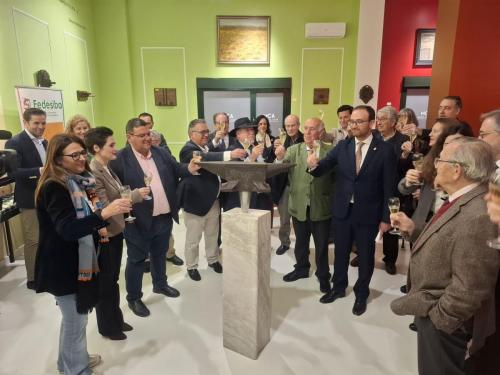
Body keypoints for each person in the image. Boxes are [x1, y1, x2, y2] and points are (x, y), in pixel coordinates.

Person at [390, 138, 499, 375]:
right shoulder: (460, 200)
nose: (435, 164)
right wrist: (413, 230)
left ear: (457, 169)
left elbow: (472, 286)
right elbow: (448, 245)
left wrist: (439, 319)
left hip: (447, 325)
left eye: (440, 160)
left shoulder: (479, 214)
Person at [34, 133, 131, 374]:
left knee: (77, 320)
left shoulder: (82, 180)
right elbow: (67, 230)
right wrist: (104, 215)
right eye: (73, 155)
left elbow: (88, 219)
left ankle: (69, 362)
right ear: (57, 158)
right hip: (63, 266)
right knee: (75, 321)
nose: (80, 159)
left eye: (82, 153)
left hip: (81, 261)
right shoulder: (54, 186)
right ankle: (75, 369)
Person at [306, 105, 396, 315]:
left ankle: (361, 293)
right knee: (340, 253)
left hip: (369, 213)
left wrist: (386, 218)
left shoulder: (384, 150)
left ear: (371, 124)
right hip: (343, 211)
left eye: (358, 122)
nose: (352, 125)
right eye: (351, 121)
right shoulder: (344, 146)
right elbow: (323, 167)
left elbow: (389, 187)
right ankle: (338, 287)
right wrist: (312, 164)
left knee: (365, 256)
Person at [109, 118, 200, 317]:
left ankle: (160, 284)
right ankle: (134, 297)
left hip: (163, 216)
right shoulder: (119, 160)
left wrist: (189, 169)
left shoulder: (161, 153)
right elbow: (114, 192)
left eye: (148, 133)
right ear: (129, 137)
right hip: (137, 221)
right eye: (141, 135)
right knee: (136, 260)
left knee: (160, 254)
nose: (147, 138)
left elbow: (177, 169)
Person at [85, 127, 150, 340]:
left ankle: (116, 318)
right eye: (111, 145)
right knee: (106, 282)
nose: (116, 148)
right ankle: (107, 326)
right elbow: (103, 206)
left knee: (112, 280)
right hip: (106, 234)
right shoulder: (93, 171)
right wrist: (135, 196)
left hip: (116, 230)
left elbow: (117, 194)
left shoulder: (106, 167)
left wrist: (130, 196)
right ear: (96, 148)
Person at [177, 119, 245, 281]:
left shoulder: (205, 147)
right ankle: (192, 266)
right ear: (191, 134)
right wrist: (230, 154)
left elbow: (209, 151)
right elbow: (204, 157)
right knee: (193, 239)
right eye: (202, 132)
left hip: (213, 201)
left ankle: (213, 260)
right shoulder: (187, 150)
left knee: (212, 235)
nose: (206, 134)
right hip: (195, 204)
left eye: (207, 131)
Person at [274, 118, 335, 293]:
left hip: (321, 205)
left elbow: (335, 178)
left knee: (322, 245)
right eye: (306, 128)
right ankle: (301, 268)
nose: (307, 132)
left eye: (312, 129)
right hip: (299, 205)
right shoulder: (294, 150)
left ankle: (323, 275)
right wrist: (279, 158)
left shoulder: (330, 151)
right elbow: (280, 168)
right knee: (301, 242)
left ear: (321, 131)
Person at [5, 108, 48, 289]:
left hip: (47, 196)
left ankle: (46, 272)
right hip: (29, 199)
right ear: (26, 123)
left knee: (46, 238)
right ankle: (33, 278)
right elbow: (14, 172)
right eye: (36, 123)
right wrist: (40, 170)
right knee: (34, 240)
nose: (40, 127)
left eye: (43, 123)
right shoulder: (15, 142)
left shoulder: (45, 142)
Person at [139, 113, 183, 266]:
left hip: (162, 201)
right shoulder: (129, 150)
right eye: (142, 123)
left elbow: (170, 159)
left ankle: (169, 254)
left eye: (148, 123)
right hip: (143, 203)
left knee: (165, 232)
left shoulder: (159, 142)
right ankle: (146, 258)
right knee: (145, 233)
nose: (146, 126)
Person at [375, 106, 411, 275]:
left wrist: (404, 155)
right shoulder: (374, 137)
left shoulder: (403, 140)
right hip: (373, 187)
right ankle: (362, 253)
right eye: (377, 118)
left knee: (391, 222)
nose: (378, 122)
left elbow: (406, 168)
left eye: (382, 119)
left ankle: (390, 260)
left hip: (393, 188)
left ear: (393, 122)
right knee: (369, 222)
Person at [222, 117, 272, 211]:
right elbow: (235, 176)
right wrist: (252, 157)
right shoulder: (232, 150)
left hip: (261, 200)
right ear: (238, 134)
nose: (251, 132)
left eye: (252, 129)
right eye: (247, 130)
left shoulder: (256, 147)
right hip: (241, 203)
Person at [272, 114, 304, 255]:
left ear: (298, 125)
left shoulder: (306, 140)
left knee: (300, 219)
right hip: (285, 185)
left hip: (301, 186)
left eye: (293, 125)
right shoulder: (281, 142)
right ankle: (285, 243)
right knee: (284, 218)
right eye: (288, 126)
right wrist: (278, 156)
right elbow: (275, 164)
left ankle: (302, 245)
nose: (290, 128)